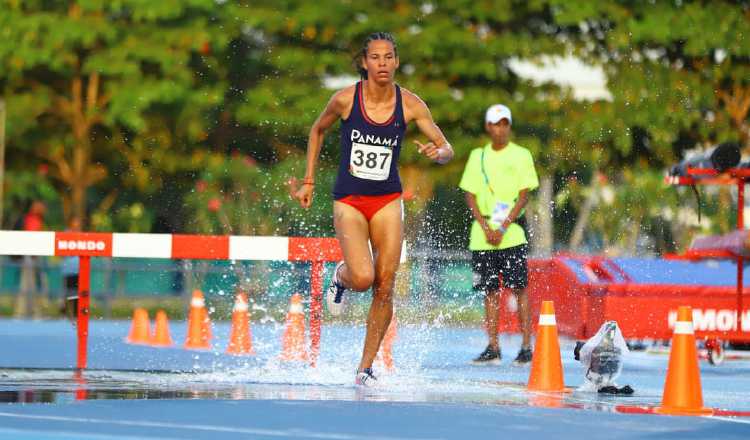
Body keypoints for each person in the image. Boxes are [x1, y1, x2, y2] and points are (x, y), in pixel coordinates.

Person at [292, 32, 453, 386]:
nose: (382, 63)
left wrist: (438, 153)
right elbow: (317, 131)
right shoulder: (345, 100)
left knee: (385, 285)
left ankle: (364, 368)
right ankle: (341, 276)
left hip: (387, 200)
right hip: (349, 199)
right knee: (363, 278)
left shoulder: (410, 104)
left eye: (389, 57)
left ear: (396, 62)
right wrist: (308, 180)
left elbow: (446, 148)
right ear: (364, 63)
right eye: (376, 57)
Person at [459, 104, 539, 366]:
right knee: (489, 291)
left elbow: (524, 194)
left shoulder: (521, 154)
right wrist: (485, 227)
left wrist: (503, 227)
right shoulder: (477, 156)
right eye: (495, 123)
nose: (500, 128)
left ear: (510, 126)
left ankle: (526, 346)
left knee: (519, 289)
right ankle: (493, 345)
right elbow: (469, 194)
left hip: (511, 233)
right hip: (483, 236)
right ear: (488, 127)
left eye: (505, 123)